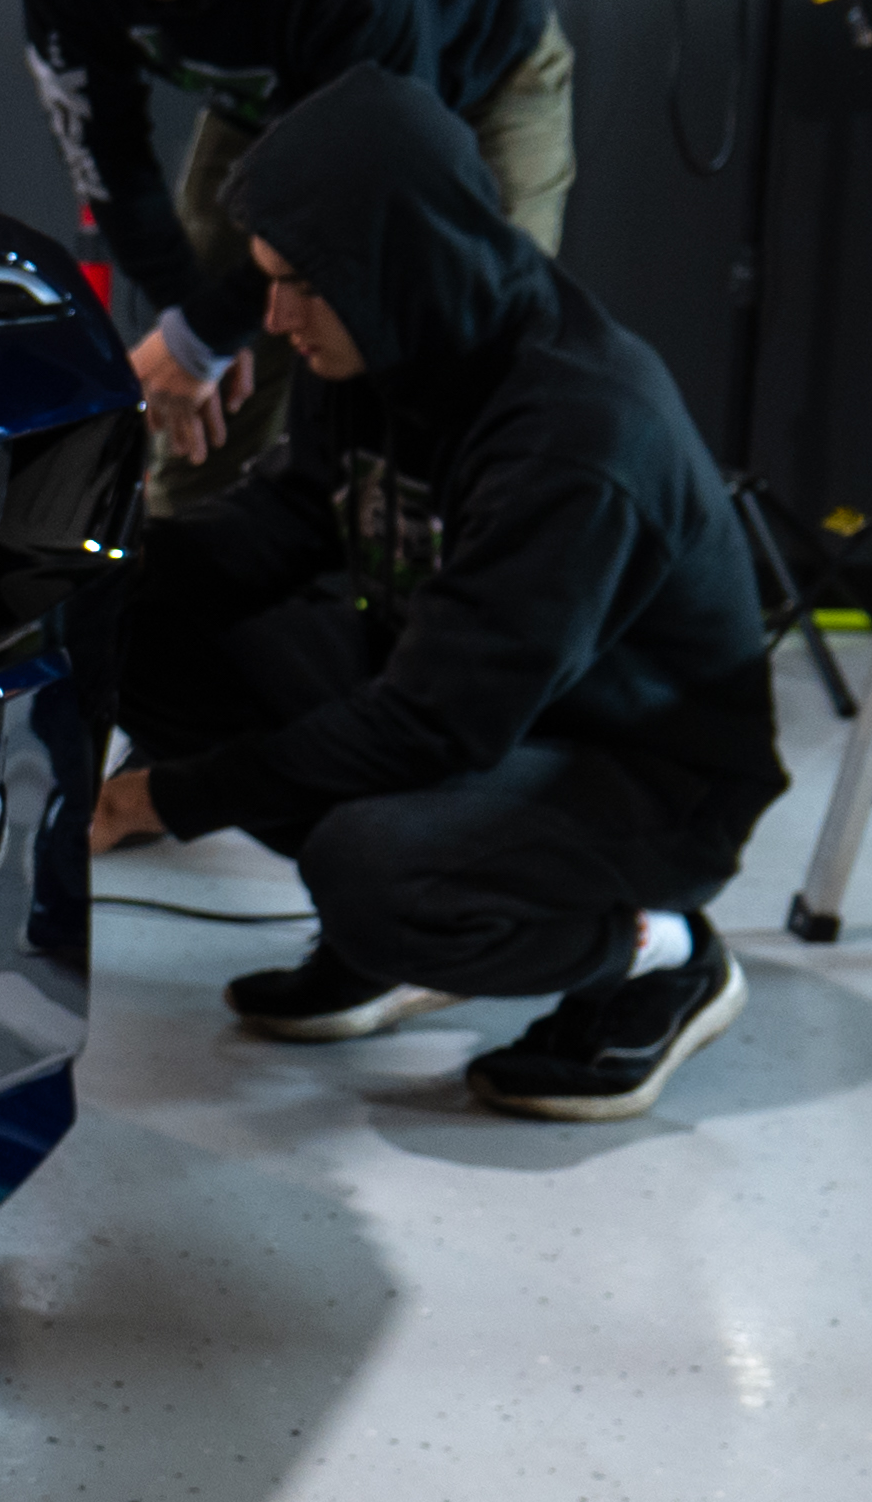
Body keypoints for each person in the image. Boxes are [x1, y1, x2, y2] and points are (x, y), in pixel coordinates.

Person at [79, 69, 783, 1119]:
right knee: (143, 626)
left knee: (375, 871)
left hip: (641, 770)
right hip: (463, 691)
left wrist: (154, 798)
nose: (272, 318)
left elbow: (434, 723)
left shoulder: (576, 434)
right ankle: (379, 945)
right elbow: (280, 525)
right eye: (265, 279)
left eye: (298, 285)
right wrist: (87, 567)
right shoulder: (378, 333)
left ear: (388, 262)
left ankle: (659, 953)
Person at [13, 0, 581, 953]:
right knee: (193, 419)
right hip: (271, 95)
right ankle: (194, 753)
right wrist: (184, 331)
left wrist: (209, 329)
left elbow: (381, 184)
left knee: (445, 370)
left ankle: (441, 767)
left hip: (469, 84)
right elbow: (103, 156)